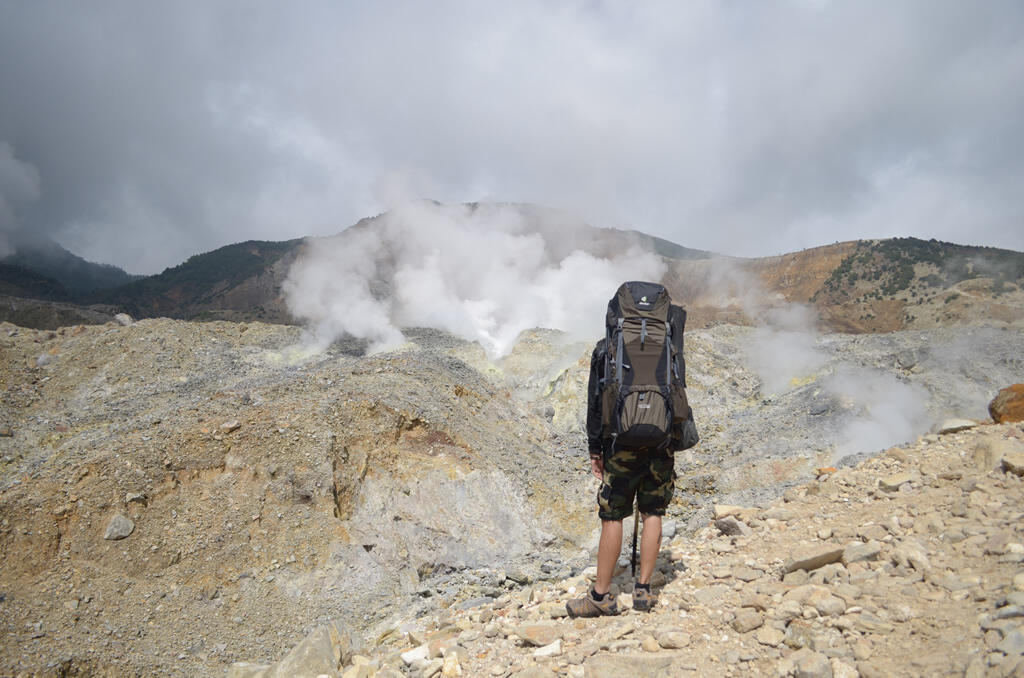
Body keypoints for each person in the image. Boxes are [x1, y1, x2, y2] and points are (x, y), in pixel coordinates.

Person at [565, 339, 675, 617]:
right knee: (652, 511)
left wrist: (594, 449)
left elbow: (595, 401)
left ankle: (601, 595)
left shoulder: (607, 347)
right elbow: (679, 394)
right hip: (660, 444)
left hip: (619, 445)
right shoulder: (667, 345)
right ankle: (643, 590)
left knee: (612, 516)